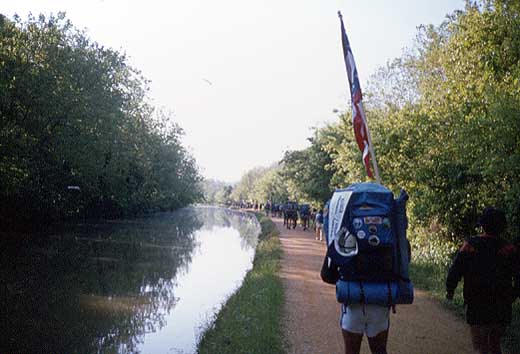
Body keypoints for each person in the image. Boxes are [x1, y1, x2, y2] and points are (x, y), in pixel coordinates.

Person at [446, 207, 520, 354]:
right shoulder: (509, 249)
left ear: (482, 225)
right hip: (501, 303)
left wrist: (450, 289)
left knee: (481, 347)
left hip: (476, 302)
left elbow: (455, 270)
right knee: (495, 343)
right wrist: (513, 295)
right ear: (503, 226)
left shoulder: (470, 246)